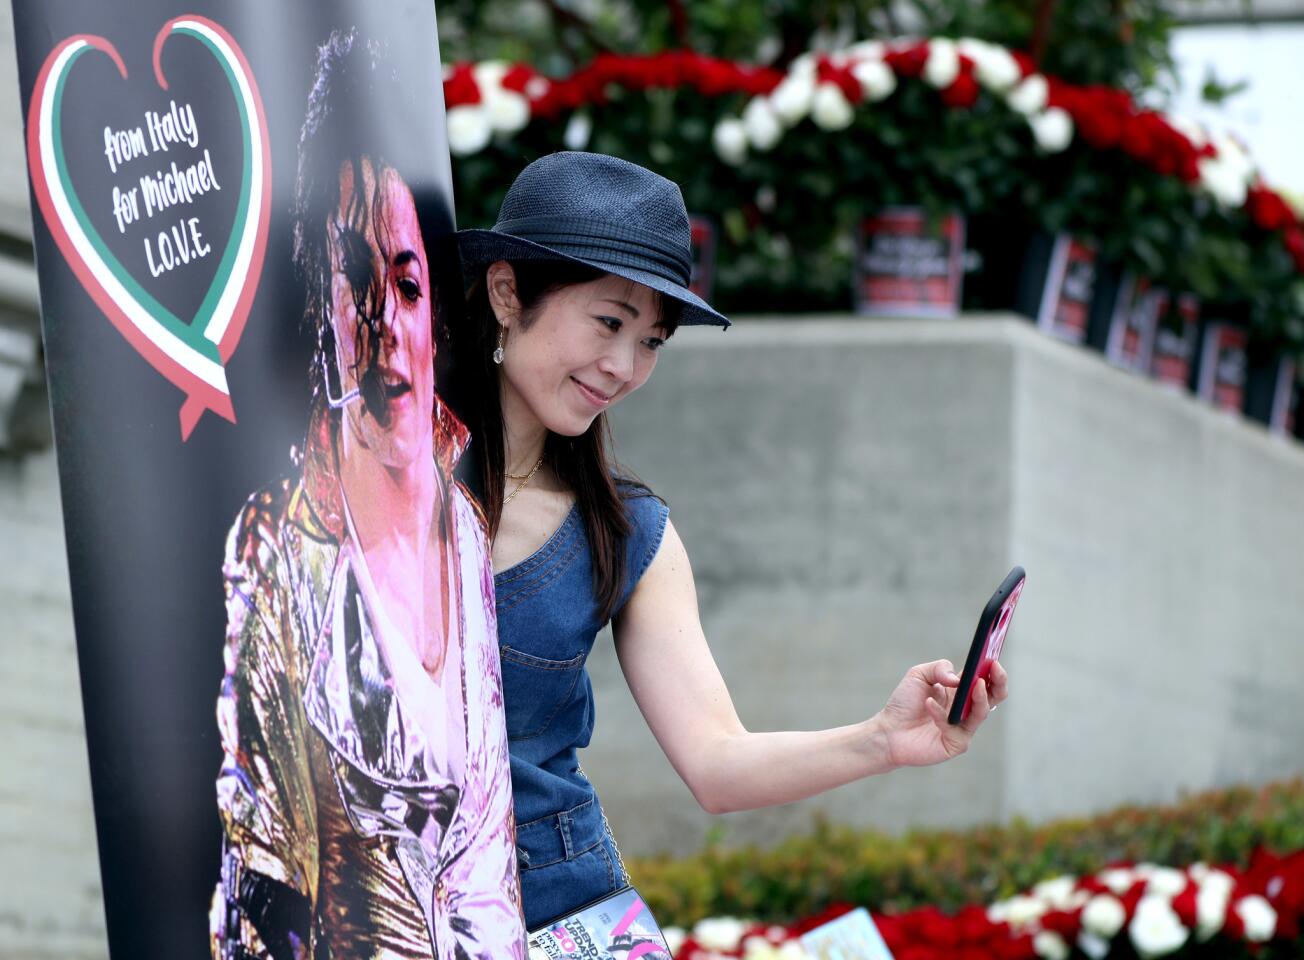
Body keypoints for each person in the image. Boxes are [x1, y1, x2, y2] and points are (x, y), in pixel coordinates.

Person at [453, 151, 1010, 932]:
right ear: (508, 291)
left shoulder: (626, 532)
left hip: (553, 915)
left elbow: (716, 763)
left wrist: (883, 739)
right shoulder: (368, 478)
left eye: (652, 340)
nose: (623, 366)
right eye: (609, 322)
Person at [210, 32, 524, 959]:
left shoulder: (465, 529)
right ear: (320, 307)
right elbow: (257, 888)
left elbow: (489, 859)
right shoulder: (276, 545)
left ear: (438, 314)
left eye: (406, 282)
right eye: (351, 276)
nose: (382, 320)